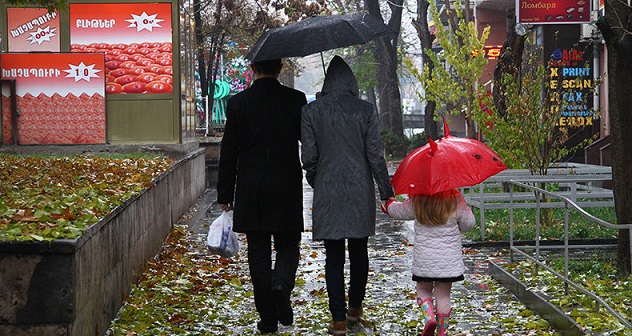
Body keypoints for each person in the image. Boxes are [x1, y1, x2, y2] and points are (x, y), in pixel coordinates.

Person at [301, 55, 395, 335]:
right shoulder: (365, 110)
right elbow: (375, 155)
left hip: (328, 188)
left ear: (327, 83)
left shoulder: (311, 112)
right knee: (359, 252)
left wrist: (318, 180)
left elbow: (309, 157)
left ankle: (338, 321)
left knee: (333, 256)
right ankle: (355, 310)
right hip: (359, 188)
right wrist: (385, 190)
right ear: (352, 82)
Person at [216, 58, 307, 334]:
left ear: (253, 69)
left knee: (257, 252)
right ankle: (281, 284)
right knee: (289, 243)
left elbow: (229, 151)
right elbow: (308, 140)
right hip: (286, 185)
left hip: (251, 186)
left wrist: (225, 193)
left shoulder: (238, 104)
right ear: (279, 68)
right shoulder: (296, 100)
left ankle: (267, 318)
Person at [383, 189, 475, 336]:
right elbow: (468, 224)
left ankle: (429, 318)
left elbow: (399, 211)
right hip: (448, 260)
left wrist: (389, 205)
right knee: (444, 295)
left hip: (424, 258)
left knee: (423, 289)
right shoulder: (455, 199)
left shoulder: (417, 199)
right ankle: (442, 331)